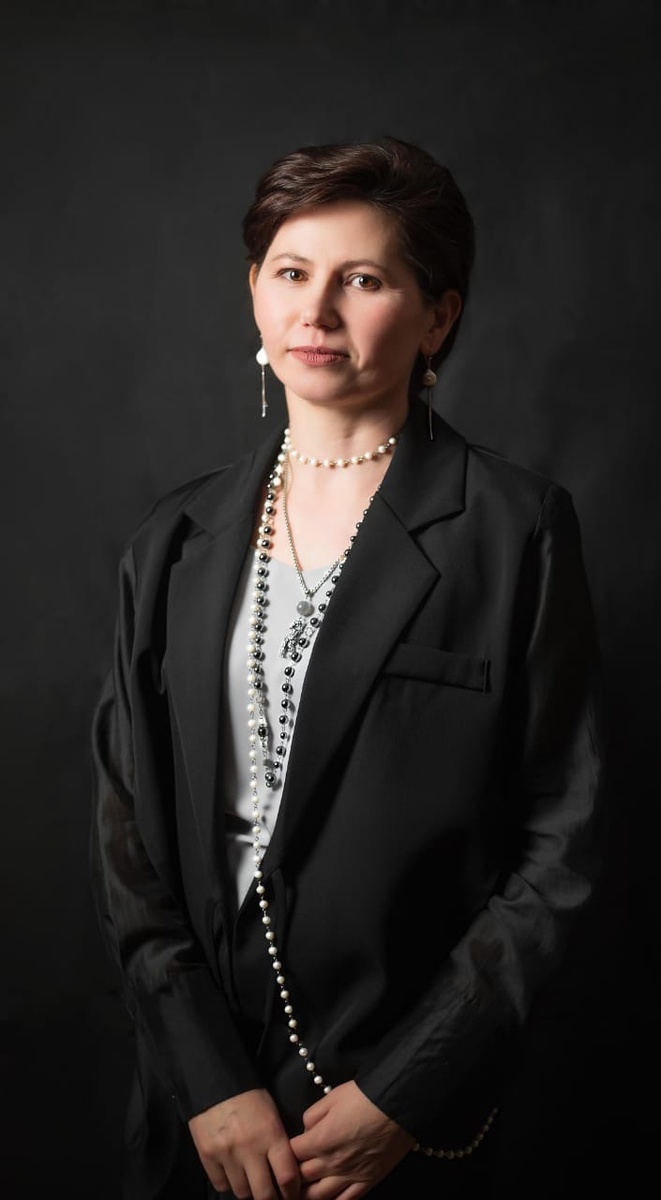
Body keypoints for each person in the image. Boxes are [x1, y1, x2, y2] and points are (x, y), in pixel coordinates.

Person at [90, 136, 604, 1200]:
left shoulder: (514, 530)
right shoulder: (174, 540)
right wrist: (206, 1080)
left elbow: (561, 844)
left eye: (362, 280)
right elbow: (127, 834)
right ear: (254, 291)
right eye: (291, 272)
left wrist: (407, 1089)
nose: (316, 311)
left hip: (397, 1122)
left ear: (438, 317)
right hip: (200, 1119)